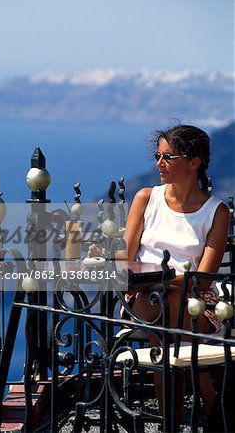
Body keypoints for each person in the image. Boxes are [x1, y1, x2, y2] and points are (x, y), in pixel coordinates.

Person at [89, 124, 230, 423]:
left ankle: (172, 422)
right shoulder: (145, 198)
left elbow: (203, 279)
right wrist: (104, 254)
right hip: (144, 296)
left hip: (195, 303)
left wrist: (161, 280)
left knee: (167, 318)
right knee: (163, 308)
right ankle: (211, 402)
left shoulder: (216, 211)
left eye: (168, 156)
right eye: (157, 155)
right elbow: (126, 256)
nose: (158, 164)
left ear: (194, 162)